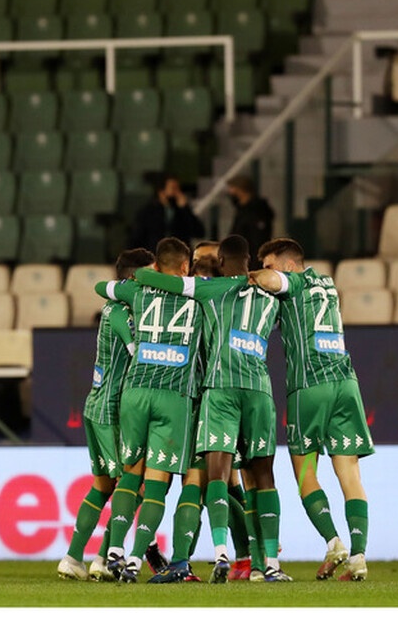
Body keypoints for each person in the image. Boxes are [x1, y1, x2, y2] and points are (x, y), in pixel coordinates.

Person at [134, 234, 291, 583]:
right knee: (259, 478)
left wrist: (132, 281)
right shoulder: (273, 293)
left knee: (214, 478)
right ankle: (266, 562)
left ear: (219, 261)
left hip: (211, 392)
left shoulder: (209, 290)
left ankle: (217, 555)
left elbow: (151, 280)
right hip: (259, 390)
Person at [251, 237, 374, 581]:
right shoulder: (328, 283)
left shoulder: (294, 280)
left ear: (289, 264)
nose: (267, 270)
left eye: (270, 263)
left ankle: (334, 542)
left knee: (305, 475)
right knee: (349, 474)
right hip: (347, 383)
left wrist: (246, 275)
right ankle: (359, 556)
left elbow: (270, 282)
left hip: (309, 387)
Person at [93, 237, 207, 584]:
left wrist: (143, 278)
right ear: (185, 268)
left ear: (156, 265)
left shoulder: (137, 291)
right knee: (157, 484)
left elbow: (102, 287)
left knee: (130, 474)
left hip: (136, 390)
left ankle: (114, 550)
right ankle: (135, 562)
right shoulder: (202, 294)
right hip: (173, 394)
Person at [57, 247, 156, 582]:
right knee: (135, 484)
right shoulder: (124, 314)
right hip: (112, 410)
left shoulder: (113, 308)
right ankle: (104, 556)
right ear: (134, 277)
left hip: (96, 404)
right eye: (151, 273)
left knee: (102, 486)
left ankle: (76, 557)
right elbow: (139, 352)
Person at [128, 172, 205, 252]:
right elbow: (136, 238)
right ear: (161, 191)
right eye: (173, 188)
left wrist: (185, 209)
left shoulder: (181, 212)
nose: (177, 193)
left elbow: (199, 232)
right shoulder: (148, 212)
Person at [226, 175, 274, 269]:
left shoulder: (258, 211)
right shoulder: (241, 210)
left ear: (241, 190)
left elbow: (258, 241)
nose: (230, 193)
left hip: (252, 265)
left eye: (233, 189)